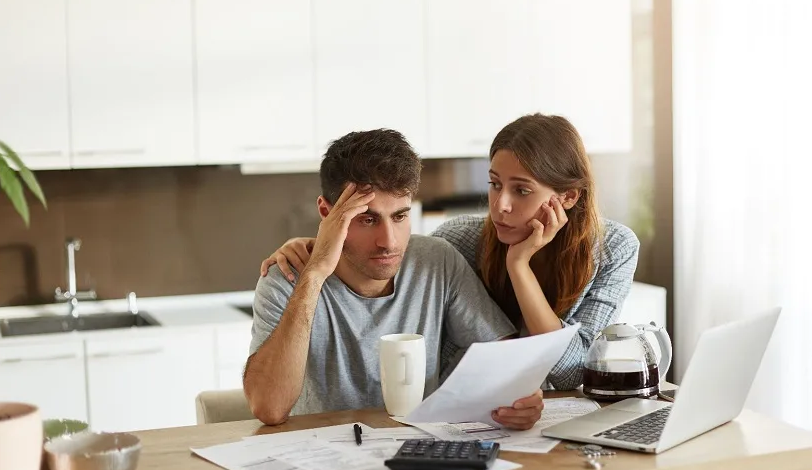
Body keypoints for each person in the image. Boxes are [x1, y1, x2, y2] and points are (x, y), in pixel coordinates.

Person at [260, 113, 640, 390]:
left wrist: (518, 266)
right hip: (472, 412)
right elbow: (386, 255)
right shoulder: (458, 240)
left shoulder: (613, 249)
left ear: (568, 196)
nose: (500, 205)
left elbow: (571, 371)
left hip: (544, 410)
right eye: (494, 185)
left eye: (521, 191)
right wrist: (318, 248)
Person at [243, 128, 545, 428]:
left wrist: (520, 399)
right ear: (326, 212)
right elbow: (269, 408)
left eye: (400, 216)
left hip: (419, 451)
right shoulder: (286, 277)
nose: (388, 241)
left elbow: (506, 361)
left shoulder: (436, 260)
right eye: (367, 219)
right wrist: (315, 274)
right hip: (323, 455)